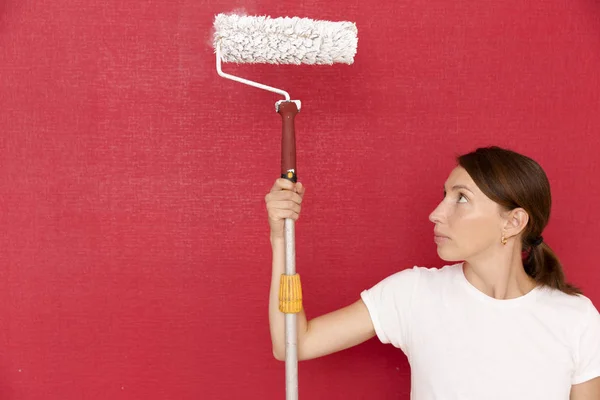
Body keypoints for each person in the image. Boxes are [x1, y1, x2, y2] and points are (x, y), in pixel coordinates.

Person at [264, 146, 600, 399]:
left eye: (461, 199)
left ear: (513, 222)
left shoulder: (575, 318)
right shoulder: (413, 294)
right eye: (445, 196)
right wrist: (281, 239)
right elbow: (293, 344)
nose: (436, 214)